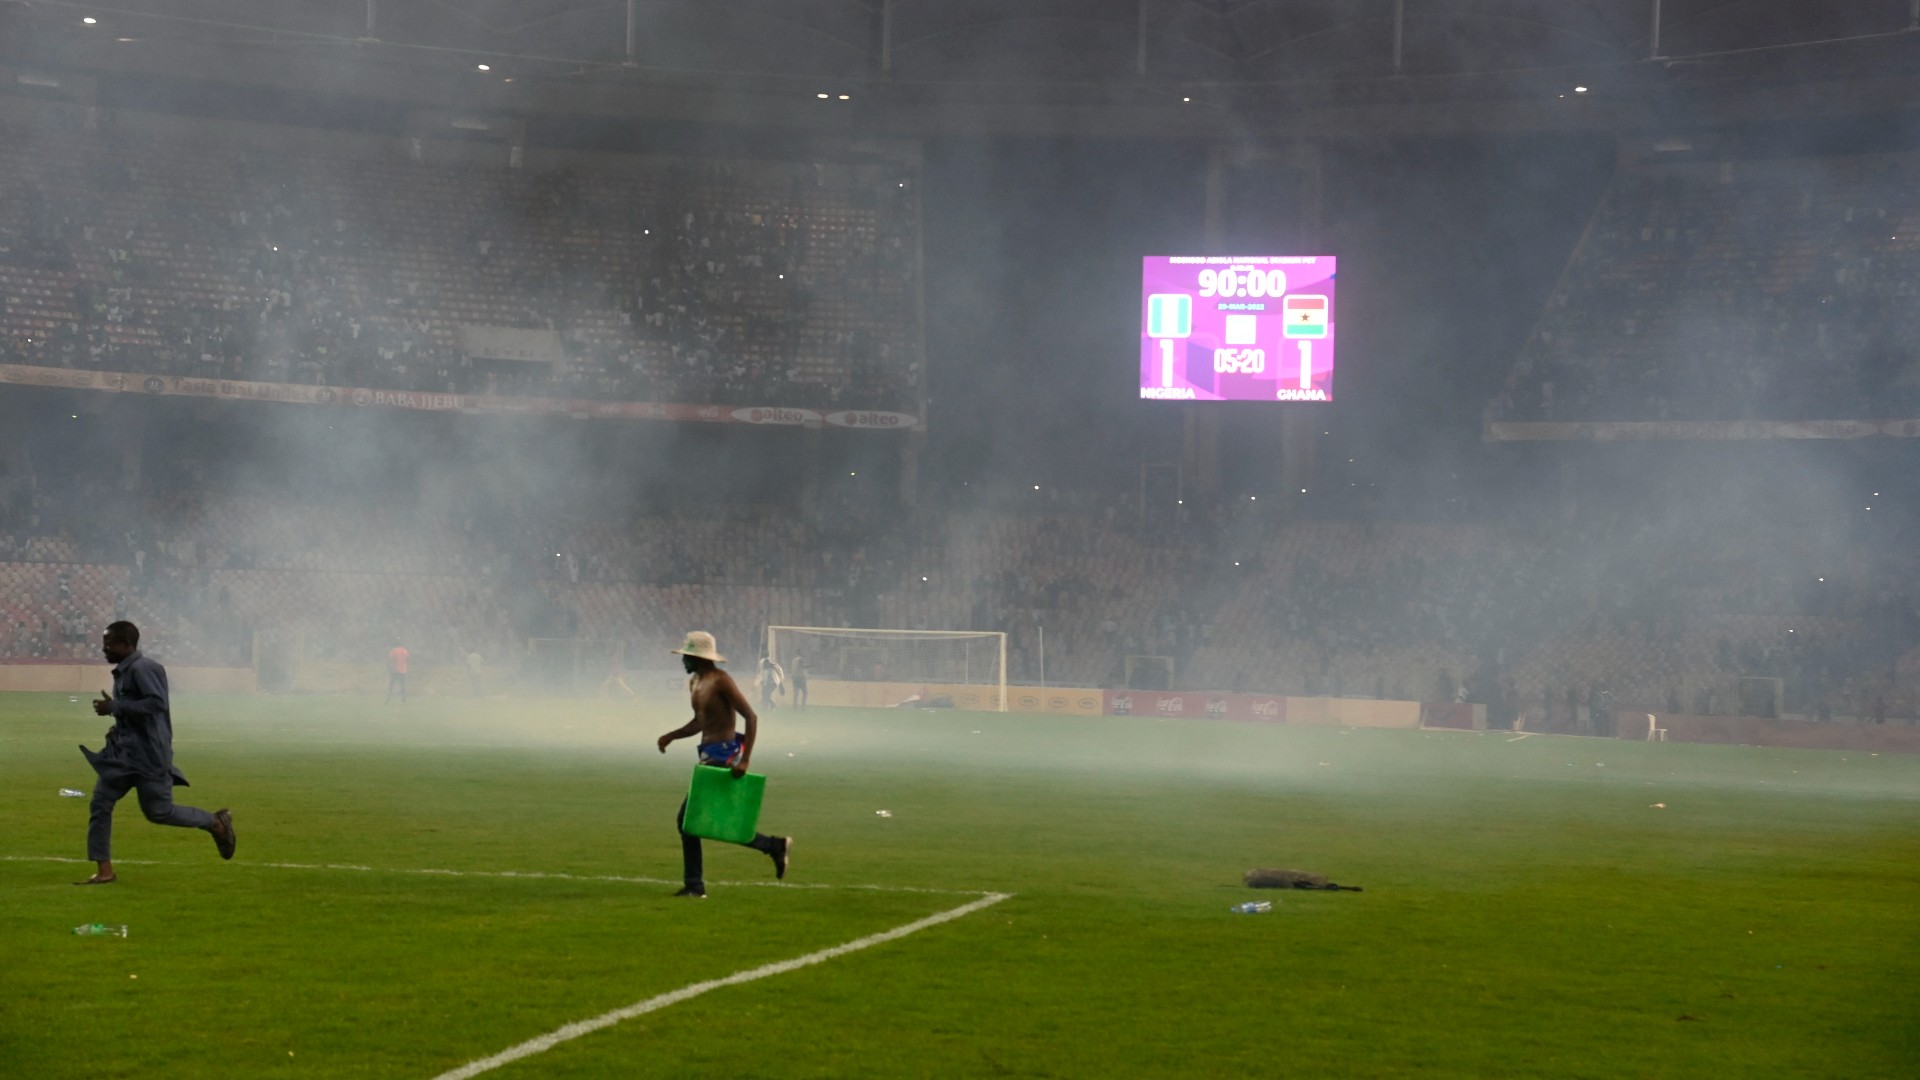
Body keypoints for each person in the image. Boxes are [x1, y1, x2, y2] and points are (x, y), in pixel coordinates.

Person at [75, 621, 234, 885]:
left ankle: (215, 822)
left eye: (109, 644)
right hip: (124, 756)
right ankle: (104, 871)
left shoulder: (143, 668)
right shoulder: (125, 671)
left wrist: (115, 707)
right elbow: (136, 711)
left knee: (159, 812)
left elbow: (156, 704)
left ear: (126, 645)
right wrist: (118, 725)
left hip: (149, 755)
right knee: (100, 803)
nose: (104, 649)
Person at [656, 631, 790, 898]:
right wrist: (671, 735)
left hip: (724, 754)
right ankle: (774, 846)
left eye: (687, 656)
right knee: (711, 820)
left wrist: (745, 759)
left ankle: (695, 885)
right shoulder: (695, 682)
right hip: (707, 755)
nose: (683, 660)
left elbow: (750, 716)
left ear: (700, 658)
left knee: (688, 820)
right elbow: (700, 722)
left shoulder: (721, 681)